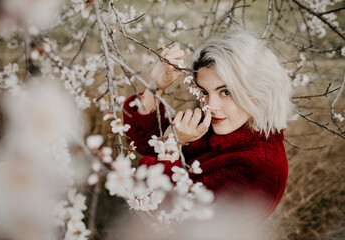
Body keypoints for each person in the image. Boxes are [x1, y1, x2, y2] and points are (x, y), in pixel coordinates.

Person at [123, 30, 293, 220]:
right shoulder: (220, 127)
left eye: (226, 92)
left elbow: (173, 215)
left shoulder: (260, 167)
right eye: (204, 92)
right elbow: (146, 142)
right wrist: (155, 86)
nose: (211, 106)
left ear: (258, 91)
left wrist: (172, 144)